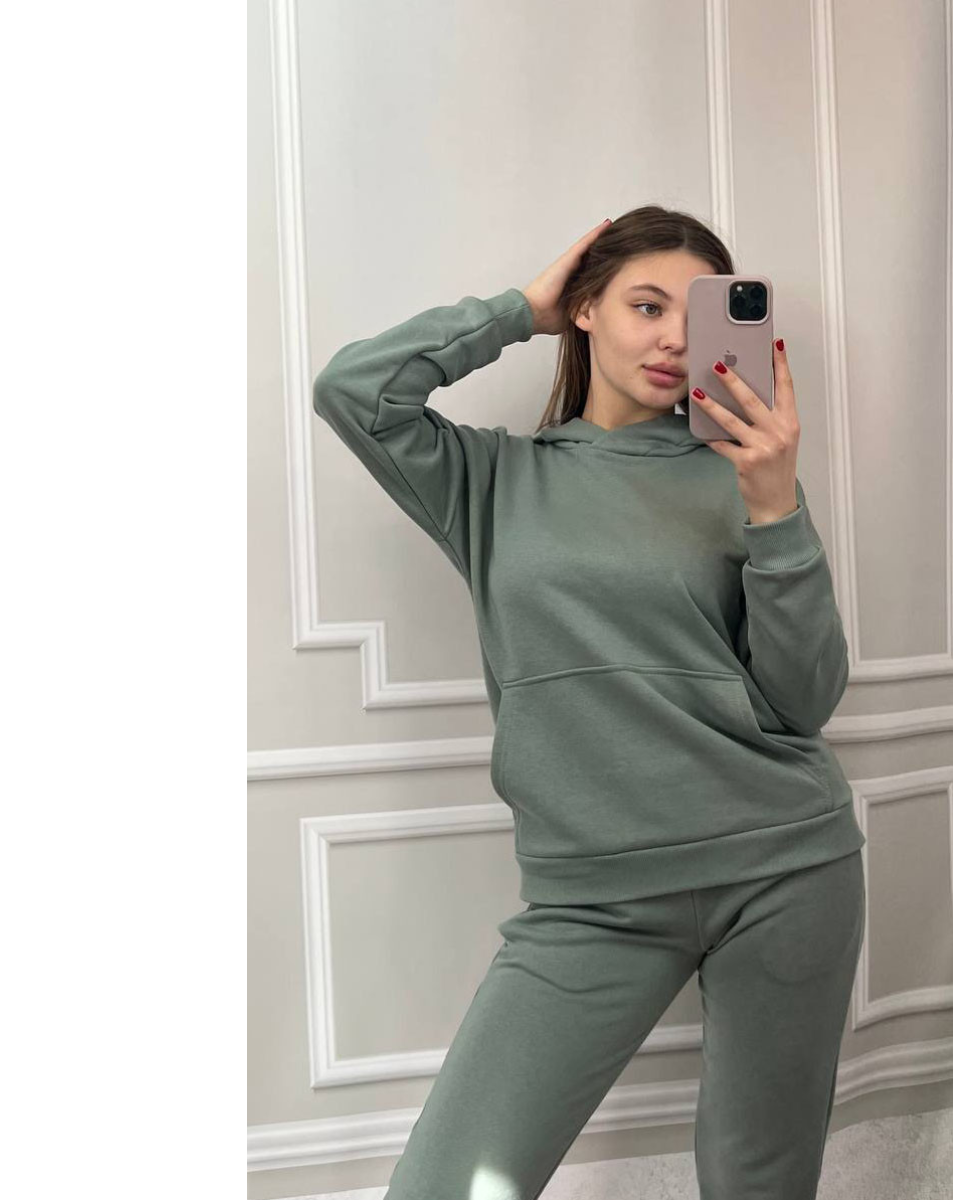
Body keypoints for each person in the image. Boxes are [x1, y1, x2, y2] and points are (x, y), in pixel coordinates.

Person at [312, 205, 866, 1200]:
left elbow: (805, 699)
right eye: (646, 306)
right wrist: (516, 311)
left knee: (759, 1182)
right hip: (592, 901)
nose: (674, 338)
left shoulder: (745, 475)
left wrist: (776, 506)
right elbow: (352, 391)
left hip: (787, 867)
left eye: (698, 314)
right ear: (585, 311)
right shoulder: (490, 479)